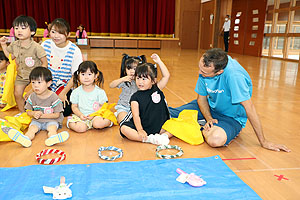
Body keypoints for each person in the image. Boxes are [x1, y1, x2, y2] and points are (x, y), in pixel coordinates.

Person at [169, 48, 291, 152]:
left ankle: (194, 124)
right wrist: (209, 119)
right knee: (165, 115)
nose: (199, 73)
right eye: (200, 68)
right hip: (209, 108)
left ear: (219, 72)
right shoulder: (207, 67)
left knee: (215, 140)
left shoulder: (234, 76)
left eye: (204, 72)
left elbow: (250, 108)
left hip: (231, 117)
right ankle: (200, 123)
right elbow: (201, 99)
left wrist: (263, 141)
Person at [7, 67, 69, 148]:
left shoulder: (54, 97)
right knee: (32, 129)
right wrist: (33, 113)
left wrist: (41, 115)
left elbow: (57, 115)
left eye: (39, 82)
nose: (35, 85)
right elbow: (28, 111)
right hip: (37, 121)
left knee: (52, 128)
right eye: (33, 82)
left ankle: (53, 138)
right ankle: (25, 139)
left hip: (51, 120)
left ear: (48, 83)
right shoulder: (32, 96)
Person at [120, 54, 171, 145]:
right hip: (143, 126)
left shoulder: (157, 88)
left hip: (160, 126)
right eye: (138, 78)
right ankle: (149, 139)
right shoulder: (135, 97)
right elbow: (136, 116)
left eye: (144, 79)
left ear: (153, 80)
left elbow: (166, 76)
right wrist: (140, 130)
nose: (140, 82)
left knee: (176, 125)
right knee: (124, 129)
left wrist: (159, 61)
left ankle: (163, 136)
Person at [0, 15, 48, 113]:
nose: (19, 31)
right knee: (17, 94)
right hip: (21, 76)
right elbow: (10, 56)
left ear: (32, 32)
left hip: (34, 77)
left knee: (34, 96)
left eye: (23, 28)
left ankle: (37, 112)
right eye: (16, 28)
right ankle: (23, 113)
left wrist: (39, 77)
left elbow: (45, 63)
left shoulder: (36, 47)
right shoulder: (15, 45)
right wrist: (4, 45)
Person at [41, 18, 83, 116]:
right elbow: (40, 68)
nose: (56, 36)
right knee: (30, 104)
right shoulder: (45, 45)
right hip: (47, 83)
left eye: (60, 33)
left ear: (68, 34)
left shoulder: (74, 50)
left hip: (65, 85)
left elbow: (75, 75)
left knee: (65, 110)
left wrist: (63, 93)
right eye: (53, 32)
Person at [67, 61, 113, 133]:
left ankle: (109, 121)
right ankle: (71, 122)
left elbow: (103, 106)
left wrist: (94, 114)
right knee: (81, 128)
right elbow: (74, 107)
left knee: (98, 124)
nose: (86, 77)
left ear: (95, 76)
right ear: (78, 76)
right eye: (83, 74)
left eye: (89, 74)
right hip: (81, 117)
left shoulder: (100, 92)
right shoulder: (76, 92)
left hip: (96, 116)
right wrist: (80, 115)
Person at [109, 54, 146, 123]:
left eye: (135, 69)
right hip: (124, 107)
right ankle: (119, 115)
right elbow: (111, 85)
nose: (131, 71)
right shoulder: (124, 80)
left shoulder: (141, 82)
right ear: (125, 69)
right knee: (123, 121)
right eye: (129, 69)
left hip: (138, 108)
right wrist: (122, 79)